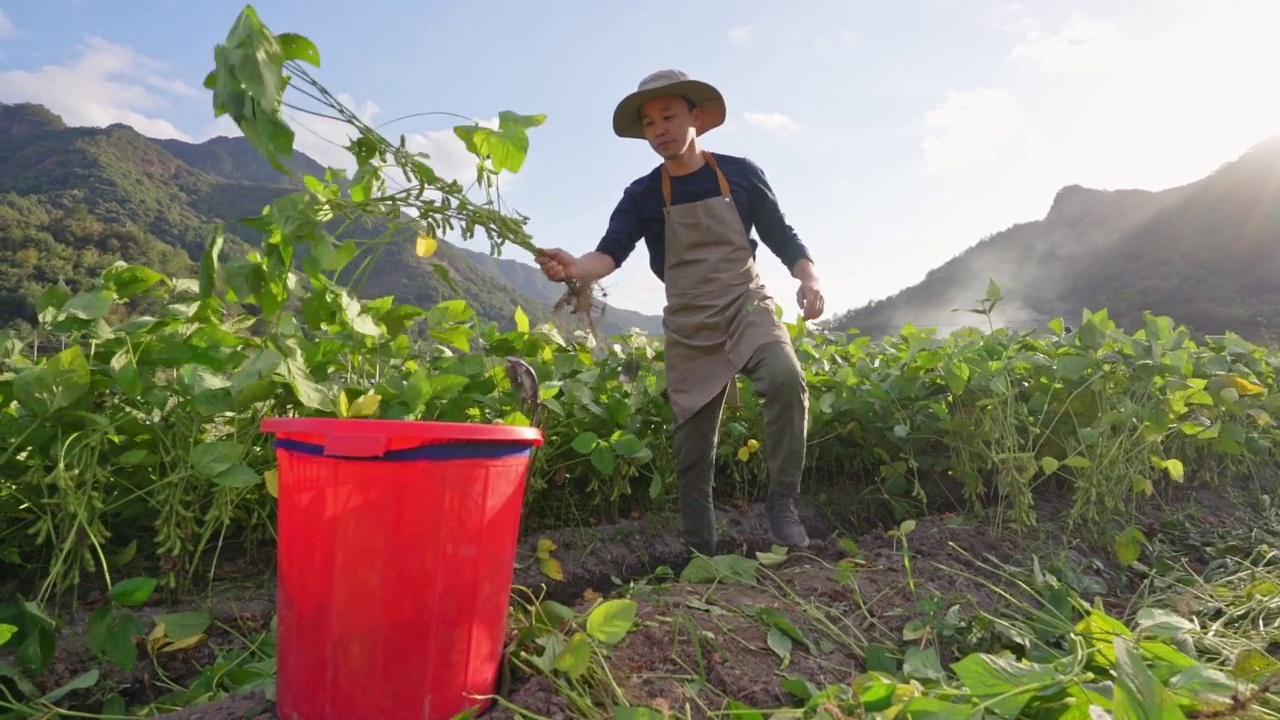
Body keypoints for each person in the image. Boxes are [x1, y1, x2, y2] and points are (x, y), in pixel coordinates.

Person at [536, 69, 825, 557]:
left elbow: (780, 233)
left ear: (696, 116)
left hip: (744, 303)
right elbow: (609, 253)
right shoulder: (642, 194)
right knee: (692, 453)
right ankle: (700, 554)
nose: (659, 129)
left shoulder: (740, 173)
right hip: (690, 322)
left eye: (668, 116)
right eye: (649, 123)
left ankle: (783, 502)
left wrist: (809, 277)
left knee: (784, 377)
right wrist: (574, 269)